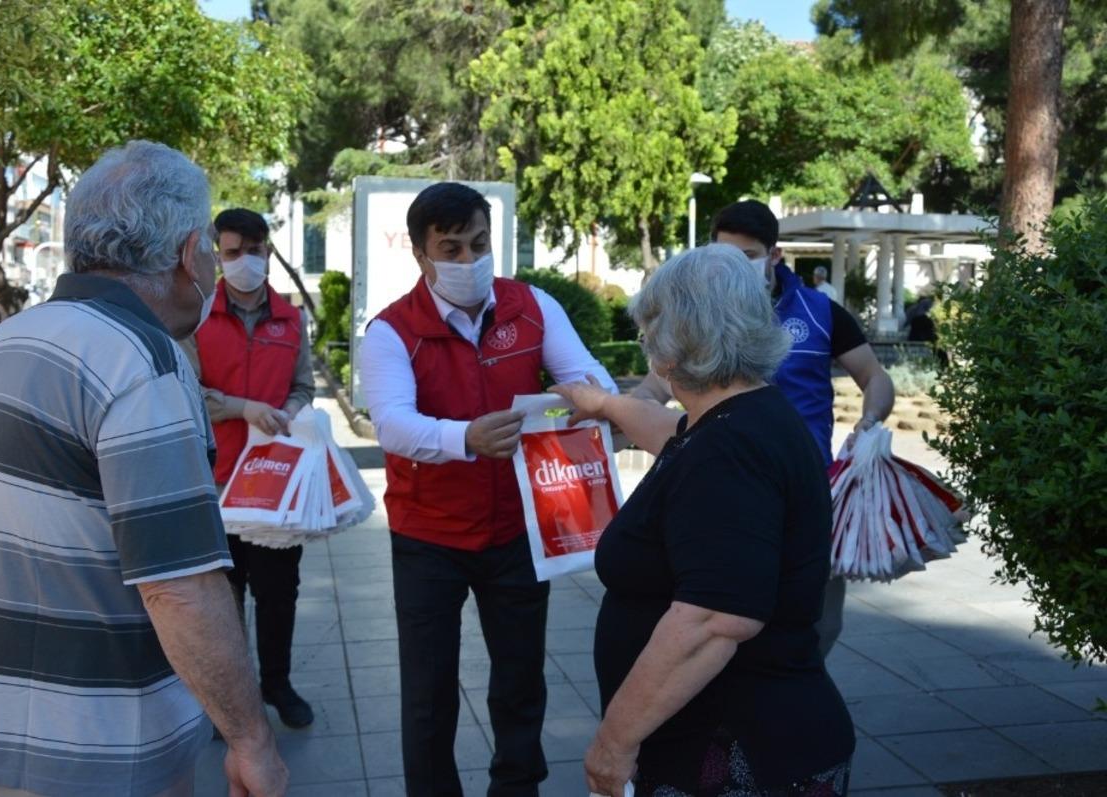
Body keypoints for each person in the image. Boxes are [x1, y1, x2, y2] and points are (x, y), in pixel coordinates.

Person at [0, 140, 288, 797]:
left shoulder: (1, 345)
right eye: (212, 248)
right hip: (120, 749)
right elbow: (179, 584)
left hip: (6, 743)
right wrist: (250, 739)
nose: (216, 265)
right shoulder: (140, 361)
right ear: (188, 254)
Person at [553, 243, 855, 797]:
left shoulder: (730, 449)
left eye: (650, 333)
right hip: (757, 737)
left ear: (672, 350)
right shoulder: (747, 415)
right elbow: (676, 437)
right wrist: (606, 404)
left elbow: (713, 620)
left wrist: (613, 742)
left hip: (736, 753)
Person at [358, 182, 617, 796]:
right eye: (450, 248)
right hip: (429, 535)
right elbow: (393, 425)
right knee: (428, 690)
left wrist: (572, 405)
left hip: (516, 530)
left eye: (478, 245)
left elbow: (588, 378)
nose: (468, 261)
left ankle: (517, 787)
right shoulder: (392, 331)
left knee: (522, 679)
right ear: (421, 255)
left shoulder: (531, 307)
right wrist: (464, 439)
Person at [631, 200, 895, 658]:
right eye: (724, 256)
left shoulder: (820, 314)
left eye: (747, 256)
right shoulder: (699, 319)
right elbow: (650, 391)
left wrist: (868, 423)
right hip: (724, 492)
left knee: (814, 627)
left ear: (774, 256)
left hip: (808, 492)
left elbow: (875, 377)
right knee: (721, 618)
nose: (733, 267)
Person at [180, 207, 316, 729]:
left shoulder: (289, 317)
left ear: (267, 253)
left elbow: (301, 385)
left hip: (276, 482)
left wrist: (296, 411)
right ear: (218, 255)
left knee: (280, 592)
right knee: (223, 597)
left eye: (253, 252)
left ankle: (277, 684)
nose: (244, 262)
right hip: (215, 482)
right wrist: (243, 408)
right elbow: (189, 393)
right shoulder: (197, 316)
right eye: (232, 253)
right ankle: (231, 701)